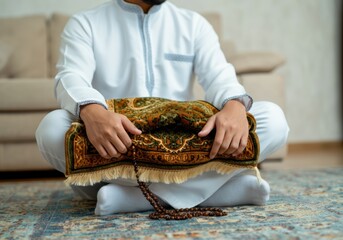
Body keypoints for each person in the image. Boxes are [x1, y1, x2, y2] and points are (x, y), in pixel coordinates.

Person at [36, 0, 289, 215]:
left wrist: (234, 106)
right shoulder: (86, 23)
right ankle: (215, 191)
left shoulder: (193, 24)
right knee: (51, 128)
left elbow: (220, 77)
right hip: (117, 148)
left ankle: (133, 199)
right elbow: (71, 77)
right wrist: (93, 111)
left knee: (273, 119)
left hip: (184, 145)